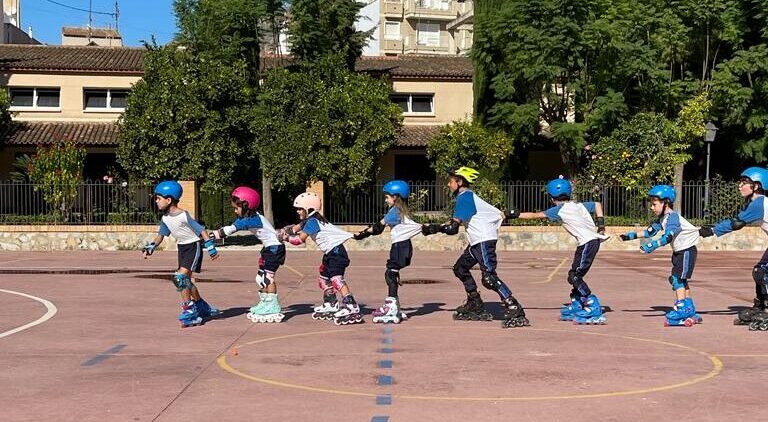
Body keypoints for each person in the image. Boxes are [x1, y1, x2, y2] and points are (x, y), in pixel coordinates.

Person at [422, 166, 529, 328]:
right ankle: (474, 301)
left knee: (489, 278)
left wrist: (433, 228)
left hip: (484, 240)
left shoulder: (465, 197)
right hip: (476, 242)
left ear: (459, 182)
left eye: (451, 181)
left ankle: (514, 307)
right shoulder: (467, 197)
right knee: (460, 268)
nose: (448, 185)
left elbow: (452, 228)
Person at [510, 177, 608, 324]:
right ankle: (577, 303)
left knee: (575, 276)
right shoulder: (579, 205)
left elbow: (535, 215)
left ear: (551, 197)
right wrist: (601, 225)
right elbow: (597, 204)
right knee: (574, 275)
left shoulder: (559, 210)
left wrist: (513, 214)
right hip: (588, 243)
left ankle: (592, 304)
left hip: (588, 243)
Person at [620, 185, 702, 327]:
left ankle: (681, 309)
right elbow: (649, 232)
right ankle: (689, 308)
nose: (652, 207)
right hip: (680, 251)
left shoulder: (673, 217)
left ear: (666, 202)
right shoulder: (663, 218)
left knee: (677, 280)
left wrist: (650, 247)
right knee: (679, 280)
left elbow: (667, 237)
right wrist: (629, 236)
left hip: (686, 250)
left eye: (654, 204)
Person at [143, 180, 220, 328]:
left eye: (158, 198)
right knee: (186, 281)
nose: (156, 202)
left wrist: (210, 247)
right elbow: (161, 235)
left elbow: (201, 230)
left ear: (169, 199)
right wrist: (151, 246)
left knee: (180, 278)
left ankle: (189, 309)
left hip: (193, 246)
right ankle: (201, 306)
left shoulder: (183, 215)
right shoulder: (165, 218)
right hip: (182, 248)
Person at [700, 167, 768, 329]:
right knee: (759, 270)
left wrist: (712, 230)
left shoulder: (759, 203)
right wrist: (713, 227)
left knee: (763, 272)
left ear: (756, 186)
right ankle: (760, 306)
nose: (739, 186)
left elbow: (737, 223)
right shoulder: (755, 203)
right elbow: (736, 219)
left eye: (744, 183)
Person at [280, 192, 363, 325]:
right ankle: (331, 303)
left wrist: (286, 238)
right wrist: (284, 230)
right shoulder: (309, 220)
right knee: (323, 280)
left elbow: (298, 240)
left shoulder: (313, 222)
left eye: (300, 209)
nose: (298, 212)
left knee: (336, 280)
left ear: (310, 209)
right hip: (329, 254)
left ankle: (351, 306)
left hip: (337, 253)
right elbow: (295, 228)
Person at [209, 186, 286, 323]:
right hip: (268, 248)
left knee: (267, 278)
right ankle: (265, 303)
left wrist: (211, 235)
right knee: (260, 278)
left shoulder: (253, 219)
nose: (234, 210)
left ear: (246, 205)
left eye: (236, 207)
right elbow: (230, 227)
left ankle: (273, 305)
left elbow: (230, 229)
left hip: (275, 248)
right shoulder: (248, 217)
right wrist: (215, 234)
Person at [353, 180, 421, 323]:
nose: (385, 199)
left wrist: (362, 234)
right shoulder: (399, 211)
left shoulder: (394, 211)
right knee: (392, 273)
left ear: (395, 197)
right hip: (404, 247)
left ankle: (391, 307)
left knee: (390, 274)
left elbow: (378, 227)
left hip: (399, 247)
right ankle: (394, 305)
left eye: (387, 196)